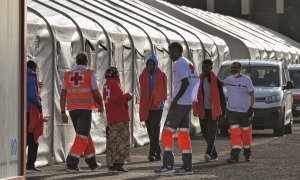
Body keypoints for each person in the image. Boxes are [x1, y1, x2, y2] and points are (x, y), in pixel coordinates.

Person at [155, 42, 200, 176]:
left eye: (172, 51)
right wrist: (192, 100)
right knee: (183, 134)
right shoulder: (189, 63)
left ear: (178, 51)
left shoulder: (179, 63)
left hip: (180, 103)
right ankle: (187, 167)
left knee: (167, 132)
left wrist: (176, 99)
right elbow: (196, 81)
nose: (170, 54)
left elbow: (185, 82)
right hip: (186, 103)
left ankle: (168, 166)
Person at [60, 52, 104, 172]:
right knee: (82, 136)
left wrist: (63, 112)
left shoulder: (68, 75)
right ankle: (71, 163)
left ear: (76, 62)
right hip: (84, 109)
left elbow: (63, 93)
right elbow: (95, 91)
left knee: (84, 135)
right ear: (86, 61)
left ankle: (92, 163)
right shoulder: (89, 73)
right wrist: (100, 104)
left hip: (72, 110)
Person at [193, 59, 226, 162]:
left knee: (211, 132)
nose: (204, 70)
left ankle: (208, 153)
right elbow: (195, 96)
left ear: (211, 68)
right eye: (203, 68)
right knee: (205, 133)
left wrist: (223, 113)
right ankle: (214, 154)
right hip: (203, 110)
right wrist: (195, 107)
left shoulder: (217, 81)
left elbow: (222, 98)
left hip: (214, 111)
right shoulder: (199, 80)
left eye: (207, 68)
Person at [222, 61, 255, 163]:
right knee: (234, 133)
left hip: (245, 112)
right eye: (232, 67)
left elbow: (252, 94)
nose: (233, 69)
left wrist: (251, 107)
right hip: (232, 111)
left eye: (235, 68)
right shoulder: (228, 80)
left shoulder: (246, 80)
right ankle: (234, 156)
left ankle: (247, 154)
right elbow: (218, 84)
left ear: (240, 69)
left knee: (246, 133)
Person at [103, 67, 132, 173]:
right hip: (120, 117)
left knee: (112, 142)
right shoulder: (115, 84)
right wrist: (128, 95)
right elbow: (118, 99)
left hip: (111, 118)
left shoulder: (106, 85)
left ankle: (111, 165)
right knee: (121, 142)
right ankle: (118, 165)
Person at [139, 55, 168, 162]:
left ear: (155, 65)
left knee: (155, 128)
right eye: (148, 64)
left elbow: (164, 89)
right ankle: (158, 151)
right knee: (150, 130)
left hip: (157, 105)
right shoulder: (143, 75)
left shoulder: (161, 75)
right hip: (147, 106)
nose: (150, 66)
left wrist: (160, 100)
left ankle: (152, 153)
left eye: (152, 64)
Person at [26, 60, 43, 173]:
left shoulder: (20, 75)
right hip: (30, 111)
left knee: (24, 138)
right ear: (33, 67)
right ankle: (30, 165)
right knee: (33, 139)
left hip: (19, 111)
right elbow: (32, 94)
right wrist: (39, 104)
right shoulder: (31, 76)